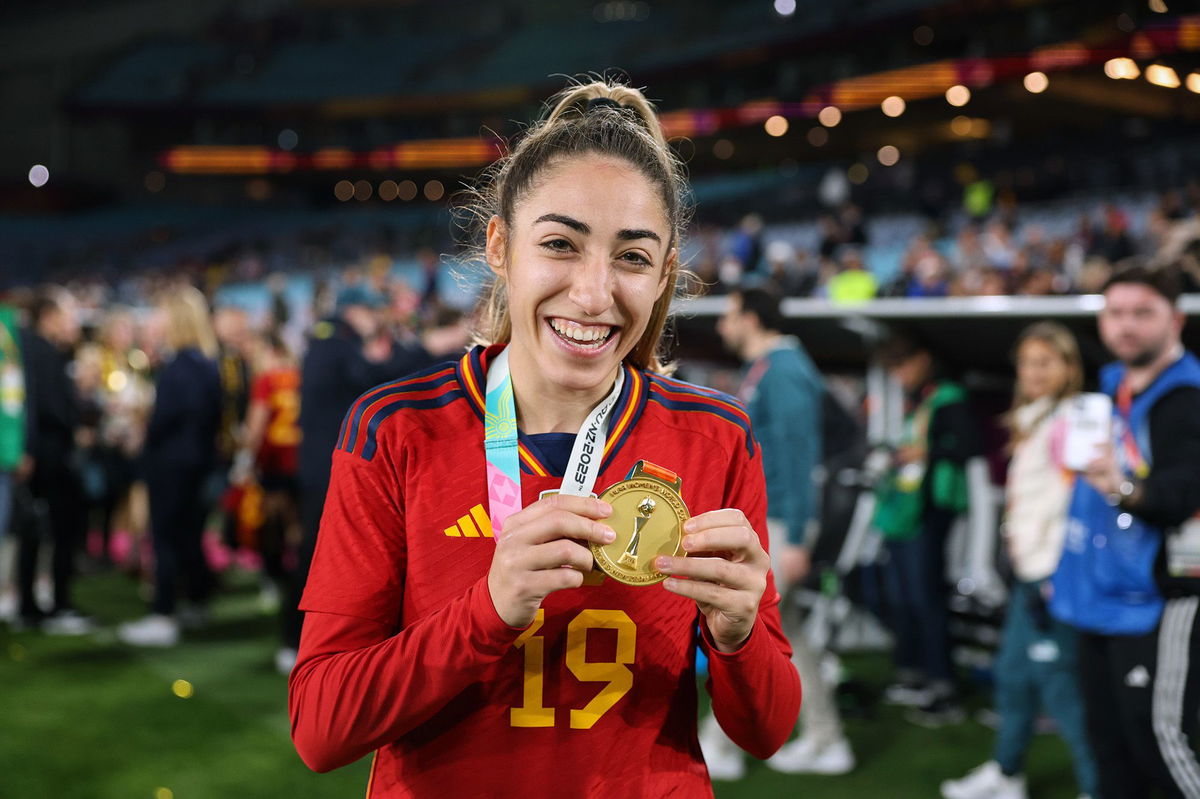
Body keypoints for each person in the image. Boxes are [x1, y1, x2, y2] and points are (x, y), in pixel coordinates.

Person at [289, 79, 800, 798]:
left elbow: (768, 731)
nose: (593, 294)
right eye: (560, 244)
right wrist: (487, 609)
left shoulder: (716, 436)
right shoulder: (397, 428)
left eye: (631, 256)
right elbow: (320, 727)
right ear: (499, 245)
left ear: (663, 273)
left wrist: (741, 634)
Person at [1050, 265, 1200, 799]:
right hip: (1096, 596)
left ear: (1176, 319)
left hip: (1161, 600)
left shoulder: (1187, 396)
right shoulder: (1111, 386)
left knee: (1163, 743)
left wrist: (1122, 486)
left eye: (1143, 313)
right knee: (1109, 749)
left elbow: (1180, 494)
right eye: (1116, 313)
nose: (1126, 326)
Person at [700, 286, 853, 777]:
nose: (723, 325)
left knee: (746, 631)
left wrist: (796, 535)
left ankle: (719, 749)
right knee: (791, 635)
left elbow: (796, 455)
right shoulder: (770, 367)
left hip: (781, 525)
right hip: (772, 522)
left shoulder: (784, 371)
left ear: (751, 318)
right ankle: (828, 741)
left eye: (730, 314)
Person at [941, 322, 1096, 799]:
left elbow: (1083, 502)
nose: (1033, 371)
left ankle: (1101, 785)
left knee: (1060, 686)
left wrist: (1059, 572)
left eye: (1045, 362)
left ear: (1069, 368)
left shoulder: (1073, 419)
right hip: (1032, 573)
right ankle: (1007, 774)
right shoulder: (1035, 416)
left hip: (1056, 575)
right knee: (1012, 675)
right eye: (1027, 362)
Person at [280, 282, 431, 674]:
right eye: (372, 311)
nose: (377, 319)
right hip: (320, 468)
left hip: (321, 463)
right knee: (316, 554)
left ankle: (305, 640)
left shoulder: (330, 338)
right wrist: (425, 350)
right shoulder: (333, 340)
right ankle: (293, 640)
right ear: (355, 311)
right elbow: (370, 375)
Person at [874, 334, 982, 726]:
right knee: (903, 596)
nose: (899, 375)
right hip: (905, 510)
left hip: (929, 511)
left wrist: (927, 452)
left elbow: (968, 445)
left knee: (925, 597)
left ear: (922, 359)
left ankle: (942, 685)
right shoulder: (921, 398)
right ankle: (914, 673)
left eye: (902, 365)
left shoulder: (948, 397)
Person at [118, 286, 222, 647]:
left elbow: (168, 419)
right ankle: (196, 599)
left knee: (164, 535)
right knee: (187, 533)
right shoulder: (208, 362)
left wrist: (143, 435)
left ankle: (163, 614)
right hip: (198, 460)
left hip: (171, 462)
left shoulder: (179, 366)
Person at [15, 288, 91, 634]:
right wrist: (78, 423)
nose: (72, 323)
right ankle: (54, 604)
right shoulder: (41, 350)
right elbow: (50, 407)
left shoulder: (29, 347)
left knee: (33, 531)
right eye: (66, 315)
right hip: (49, 455)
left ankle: (30, 604)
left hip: (38, 452)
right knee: (59, 529)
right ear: (48, 316)